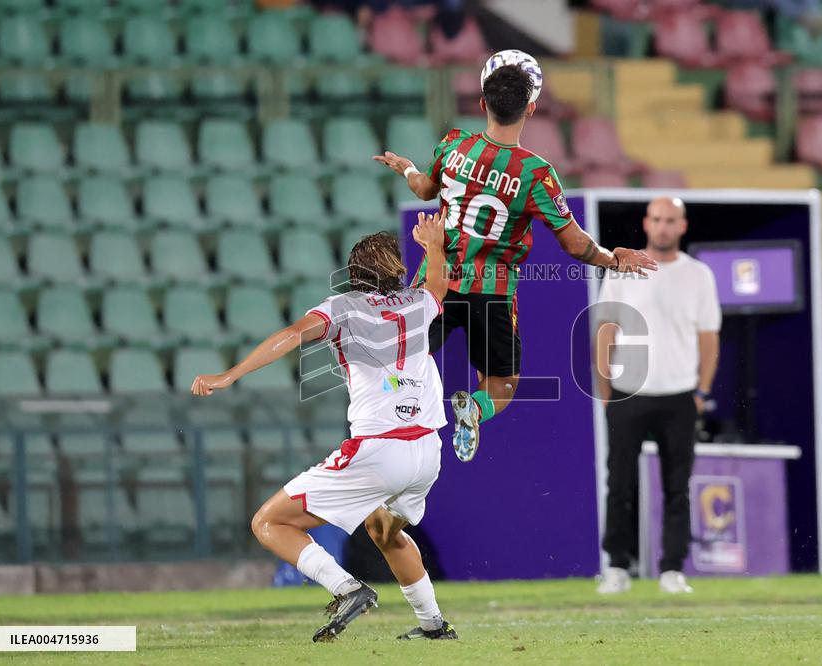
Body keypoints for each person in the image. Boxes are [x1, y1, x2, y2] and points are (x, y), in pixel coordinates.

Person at [191, 212, 459, 642]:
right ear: (398, 270)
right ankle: (433, 626)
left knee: (269, 523)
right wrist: (434, 245)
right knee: (384, 530)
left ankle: (347, 588)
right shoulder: (419, 303)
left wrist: (230, 375)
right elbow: (438, 284)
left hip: (378, 450)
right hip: (427, 451)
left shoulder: (340, 307)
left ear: (353, 275)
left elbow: (291, 335)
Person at [374, 60, 657, 462]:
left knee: (402, 358)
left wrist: (407, 168)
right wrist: (614, 259)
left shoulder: (453, 145)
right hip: (492, 292)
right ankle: (473, 408)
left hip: (436, 280)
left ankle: (386, 419)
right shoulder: (536, 174)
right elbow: (575, 245)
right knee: (502, 384)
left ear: (481, 102)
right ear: (531, 109)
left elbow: (423, 190)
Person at [592, 197, 721, 595]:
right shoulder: (623, 269)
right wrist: (605, 387)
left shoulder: (699, 275)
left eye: (671, 220)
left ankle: (672, 569)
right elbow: (605, 329)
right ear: (647, 223)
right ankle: (616, 566)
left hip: (680, 395)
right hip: (629, 393)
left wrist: (701, 391)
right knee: (620, 484)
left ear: (682, 226)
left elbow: (708, 337)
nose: (663, 226)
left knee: (677, 486)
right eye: (657, 219)